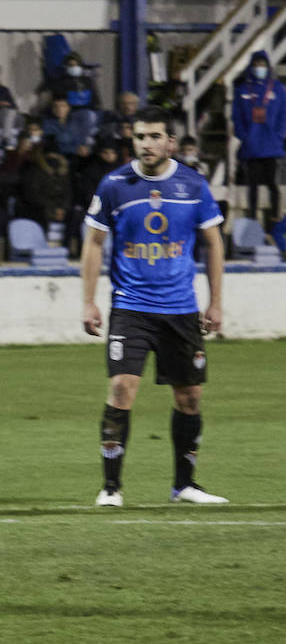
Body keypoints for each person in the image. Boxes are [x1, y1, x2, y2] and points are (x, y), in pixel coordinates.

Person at [81, 106, 227, 507]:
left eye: (154, 136)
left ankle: (184, 485)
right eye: (140, 136)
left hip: (181, 309)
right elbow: (93, 244)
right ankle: (111, 489)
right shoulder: (114, 184)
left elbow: (213, 243)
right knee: (122, 387)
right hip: (132, 307)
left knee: (190, 398)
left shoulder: (193, 184)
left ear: (171, 141)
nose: (146, 143)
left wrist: (215, 302)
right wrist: (89, 302)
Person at [231, 50, 286, 227]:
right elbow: (236, 116)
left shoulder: (277, 88)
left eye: (262, 65)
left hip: (272, 144)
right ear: (251, 67)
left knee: (272, 183)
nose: (259, 68)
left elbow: (284, 114)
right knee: (252, 184)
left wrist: (280, 134)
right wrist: (244, 136)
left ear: (268, 67)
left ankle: (275, 218)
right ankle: (253, 218)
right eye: (256, 65)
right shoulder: (242, 90)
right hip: (251, 145)